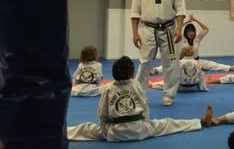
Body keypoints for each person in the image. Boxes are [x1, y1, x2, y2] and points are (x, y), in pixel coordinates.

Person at [67, 56, 211, 142]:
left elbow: (102, 113)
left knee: (85, 129)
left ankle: (63, 133)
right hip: (140, 130)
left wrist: (104, 127)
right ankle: (199, 122)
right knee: (168, 124)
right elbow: (145, 105)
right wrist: (146, 123)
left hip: (114, 133)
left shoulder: (108, 88)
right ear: (131, 73)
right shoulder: (135, 84)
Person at [131, 0, 185, 106]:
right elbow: (134, 13)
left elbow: (181, 10)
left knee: (171, 63)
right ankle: (140, 96)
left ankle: (169, 96)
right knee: (144, 63)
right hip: (147, 30)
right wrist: (135, 33)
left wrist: (179, 29)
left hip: (169, 31)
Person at [150, 14, 233, 75]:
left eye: (192, 31)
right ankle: (156, 70)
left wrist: (196, 20)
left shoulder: (197, 38)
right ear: (186, 32)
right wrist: (185, 22)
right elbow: (174, 32)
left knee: (212, 64)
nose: (191, 33)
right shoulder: (181, 38)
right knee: (171, 65)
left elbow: (206, 29)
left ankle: (230, 68)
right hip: (182, 61)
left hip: (196, 61)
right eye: (189, 31)